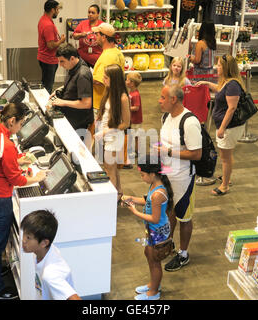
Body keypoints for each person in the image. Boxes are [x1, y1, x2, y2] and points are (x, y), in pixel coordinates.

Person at [0, 103, 47, 300]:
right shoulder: (6, 145)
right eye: (21, 123)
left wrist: (18, 160)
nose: (21, 127)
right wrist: (37, 178)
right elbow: (17, 180)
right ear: (12, 121)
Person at [154, 85, 202, 272]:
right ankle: (169, 243)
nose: (159, 100)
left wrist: (167, 151)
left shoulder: (189, 122)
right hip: (167, 175)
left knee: (184, 217)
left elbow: (196, 154)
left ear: (174, 99)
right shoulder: (166, 117)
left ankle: (183, 254)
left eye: (162, 97)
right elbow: (166, 142)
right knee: (169, 212)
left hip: (183, 178)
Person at [122, 155, 173, 300]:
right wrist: (131, 199)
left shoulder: (158, 194)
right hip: (153, 230)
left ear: (152, 174)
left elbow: (154, 218)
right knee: (148, 255)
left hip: (158, 232)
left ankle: (154, 292)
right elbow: (146, 201)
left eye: (142, 175)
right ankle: (153, 284)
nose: (141, 177)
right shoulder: (154, 186)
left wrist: (135, 212)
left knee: (154, 260)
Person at [196, 54, 246, 196]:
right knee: (226, 155)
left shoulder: (233, 85)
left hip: (229, 127)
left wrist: (222, 128)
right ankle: (226, 177)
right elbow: (220, 90)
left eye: (219, 65)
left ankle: (225, 185)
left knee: (225, 156)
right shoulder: (228, 82)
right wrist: (207, 84)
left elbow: (231, 108)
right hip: (226, 125)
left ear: (226, 68)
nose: (216, 67)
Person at [21, 209, 81, 300]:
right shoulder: (42, 251)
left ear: (44, 243)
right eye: (24, 234)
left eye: (28, 237)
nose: (23, 240)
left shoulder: (50, 275)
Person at [94, 64, 130, 203]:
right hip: (106, 134)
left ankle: (111, 201)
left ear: (114, 79)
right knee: (112, 167)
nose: (103, 79)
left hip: (114, 137)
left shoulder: (123, 98)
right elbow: (106, 111)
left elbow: (126, 123)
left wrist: (106, 131)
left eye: (106, 77)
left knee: (109, 168)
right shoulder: (108, 91)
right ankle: (118, 193)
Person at [189, 22, 217, 187]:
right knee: (206, 101)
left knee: (196, 100)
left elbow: (197, 60)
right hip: (210, 75)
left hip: (199, 75)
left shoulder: (200, 44)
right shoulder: (212, 43)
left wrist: (190, 57)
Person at [49, 43, 93, 142]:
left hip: (79, 123)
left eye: (62, 62)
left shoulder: (83, 74)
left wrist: (63, 102)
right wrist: (60, 89)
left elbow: (86, 103)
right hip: (71, 117)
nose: (60, 65)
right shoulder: (73, 67)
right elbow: (74, 84)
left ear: (72, 58)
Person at [92, 23, 125, 120]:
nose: (95, 37)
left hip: (101, 103)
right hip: (112, 100)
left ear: (103, 37)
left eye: (97, 34)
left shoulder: (107, 57)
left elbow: (99, 81)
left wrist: (83, 78)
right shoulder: (117, 52)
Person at [38, 0, 66, 94]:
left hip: (44, 58)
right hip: (48, 60)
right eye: (57, 9)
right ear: (52, 10)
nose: (58, 11)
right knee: (48, 87)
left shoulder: (43, 19)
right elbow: (50, 45)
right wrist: (61, 41)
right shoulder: (48, 25)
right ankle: (45, 106)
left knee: (45, 84)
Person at [72, 4, 103, 68]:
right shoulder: (83, 23)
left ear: (98, 14)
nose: (90, 14)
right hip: (83, 59)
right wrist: (81, 35)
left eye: (93, 13)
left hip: (97, 59)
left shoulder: (102, 25)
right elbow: (74, 36)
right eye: (89, 12)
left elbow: (106, 42)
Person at [125, 71, 143, 167]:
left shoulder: (135, 94)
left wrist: (127, 108)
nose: (126, 81)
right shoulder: (131, 92)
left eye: (127, 79)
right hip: (133, 119)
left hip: (136, 119)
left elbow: (136, 107)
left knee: (136, 136)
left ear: (132, 83)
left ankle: (137, 151)